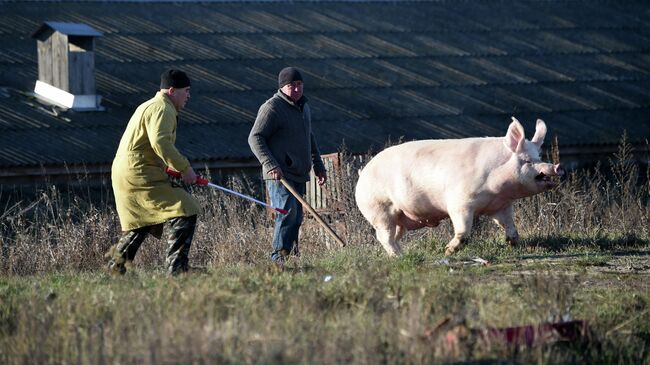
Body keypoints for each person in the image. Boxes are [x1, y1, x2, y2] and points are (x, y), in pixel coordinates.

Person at [106, 69, 200, 275]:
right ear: (172, 91)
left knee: (142, 222)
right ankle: (176, 269)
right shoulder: (162, 108)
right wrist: (185, 168)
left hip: (128, 172)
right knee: (186, 208)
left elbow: (149, 145)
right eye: (186, 91)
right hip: (139, 174)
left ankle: (115, 268)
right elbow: (160, 142)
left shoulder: (150, 105)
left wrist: (169, 168)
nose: (188, 96)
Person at [248, 66, 327, 265]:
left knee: (297, 217)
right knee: (287, 215)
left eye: (300, 85)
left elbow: (309, 137)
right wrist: (270, 164)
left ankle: (291, 258)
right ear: (282, 87)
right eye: (292, 86)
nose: (297, 89)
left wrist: (318, 165)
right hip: (280, 174)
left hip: (299, 172)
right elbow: (255, 138)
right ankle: (278, 260)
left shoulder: (304, 107)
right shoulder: (272, 108)